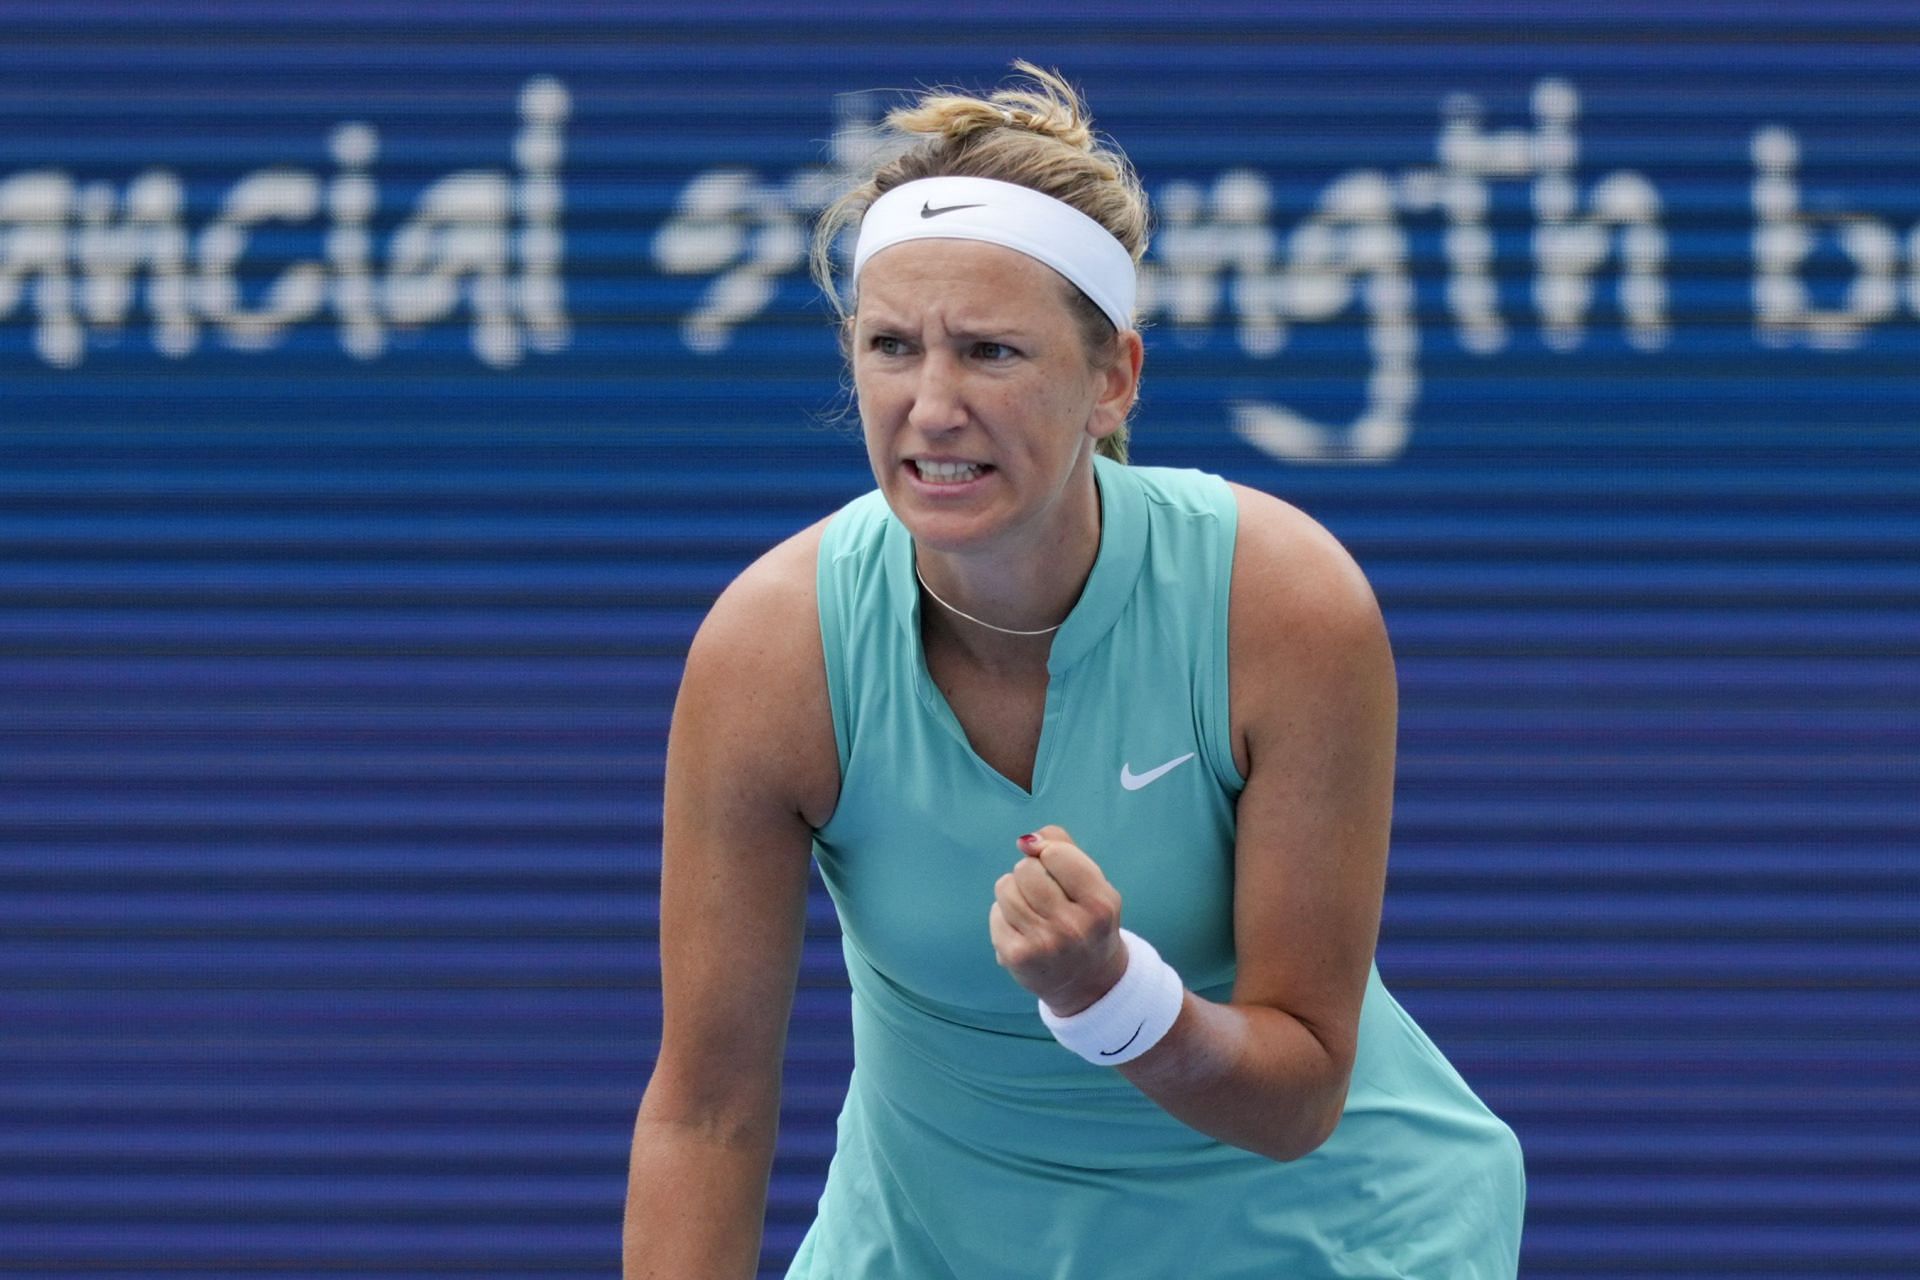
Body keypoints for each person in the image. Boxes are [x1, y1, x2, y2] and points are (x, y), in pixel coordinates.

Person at [625, 63, 1526, 1279]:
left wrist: (1113, 997)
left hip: (1324, 1243)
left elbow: (1300, 1092)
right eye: (891, 346)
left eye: (991, 351)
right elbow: (707, 1109)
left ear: (1113, 380)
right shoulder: (771, 649)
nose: (930, 405)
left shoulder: (1282, 603)